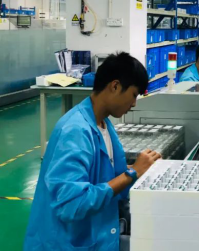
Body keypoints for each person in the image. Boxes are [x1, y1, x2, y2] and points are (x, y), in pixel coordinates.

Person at [25, 53, 162, 251]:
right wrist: (132, 173)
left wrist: (140, 169)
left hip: (93, 235)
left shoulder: (103, 125)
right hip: (63, 243)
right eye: (134, 95)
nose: (134, 104)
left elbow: (102, 175)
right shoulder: (75, 131)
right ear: (115, 86)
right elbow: (72, 204)